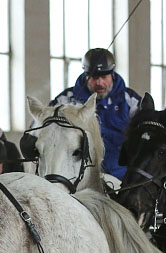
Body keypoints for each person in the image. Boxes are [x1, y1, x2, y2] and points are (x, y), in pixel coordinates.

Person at [50, 48, 141, 180]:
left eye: (104, 77)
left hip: (122, 179)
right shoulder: (65, 101)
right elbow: (41, 129)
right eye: (94, 78)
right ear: (86, 76)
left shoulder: (131, 101)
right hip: (76, 180)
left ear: (112, 76)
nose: (99, 83)